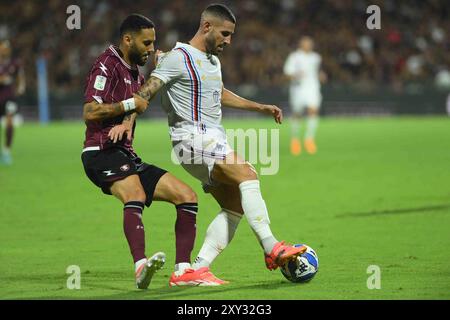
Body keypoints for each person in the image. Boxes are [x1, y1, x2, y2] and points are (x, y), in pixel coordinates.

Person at [112, 4, 306, 286]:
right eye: (225, 34)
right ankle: (272, 247)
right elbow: (147, 90)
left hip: (210, 140)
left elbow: (219, 93)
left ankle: (196, 269)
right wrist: (128, 120)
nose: (228, 40)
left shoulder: (212, 61)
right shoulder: (178, 57)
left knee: (235, 207)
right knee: (248, 174)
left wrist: (259, 107)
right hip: (192, 139)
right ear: (207, 27)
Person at [81, 14, 222, 289]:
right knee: (135, 194)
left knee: (187, 196)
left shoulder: (135, 70)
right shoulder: (106, 65)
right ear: (127, 39)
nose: (150, 47)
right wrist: (126, 107)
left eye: (153, 42)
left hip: (126, 155)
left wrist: (127, 118)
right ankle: (140, 267)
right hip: (100, 151)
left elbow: (138, 104)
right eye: (146, 43)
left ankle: (182, 271)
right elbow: (89, 112)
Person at [283, 36, 326, 155]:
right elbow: (287, 72)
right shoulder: (294, 57)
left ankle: (309, 139)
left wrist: (321, 75)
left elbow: (317, 71)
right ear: (301, 44)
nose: (308, 45)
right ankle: (295, 140)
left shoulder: (316, 57)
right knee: (297, 114)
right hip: (298, 89)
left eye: (310, 43)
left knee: (313, 110)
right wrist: (296, 75)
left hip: (313, 88)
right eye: (306, 43)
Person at [0, 39, 25, 165]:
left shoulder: (14, 63)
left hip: (9, 97)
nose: (5, 50)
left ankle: (6, 151)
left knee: (10, 123)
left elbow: (20, 76)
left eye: (7, 48)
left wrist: (21, 86)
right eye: (3, 47)